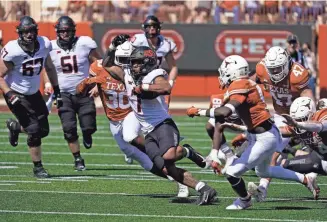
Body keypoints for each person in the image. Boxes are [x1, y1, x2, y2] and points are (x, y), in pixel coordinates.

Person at [186, 55, 319, 210]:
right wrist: (220, 149)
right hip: (262, 133)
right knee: (264, 170)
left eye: (224, 71)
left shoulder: (241, 86)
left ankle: (244, 200)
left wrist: (198, 111)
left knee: (231, 172)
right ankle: (305, 179)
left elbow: (223, 112)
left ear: (232, 72)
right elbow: (224, 120)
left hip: (265, 137)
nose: (221, 75)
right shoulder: (244, 84)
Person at [102, 44, 217, 205]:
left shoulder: (153, 75)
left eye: (138, 62)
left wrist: (143, 87)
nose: (134, 66)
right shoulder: (127, 74)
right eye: (133, 62)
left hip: (163, 124)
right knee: (165, 168)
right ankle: (204, 189)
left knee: (169, 156)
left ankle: (186, 151)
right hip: (148, 130)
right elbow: (106, 64)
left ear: (148, 62)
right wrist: (112, 47)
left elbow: (166, 87)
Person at [249, 46, 315, 200]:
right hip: (280, 116)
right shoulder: (262, 69)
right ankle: (263, 189)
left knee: (317, 150)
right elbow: (250, 83)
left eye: (279, 68)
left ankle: (309, 177)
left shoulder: (297, 74)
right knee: (272, 153)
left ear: (287, 64)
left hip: (299, 117)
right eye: (272, 69)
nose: (275, 72)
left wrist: (305, 120)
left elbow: (308, 98)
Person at [0, 16, 62, 178]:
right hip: (16, 93)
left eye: (32, 31)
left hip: (34, 93)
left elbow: (49, 66)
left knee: (43, 130)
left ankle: (15, 127)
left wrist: (57, 89)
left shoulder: (44, 44)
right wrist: (9, 93)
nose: (29, 34)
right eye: (25, 31)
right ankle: (38, 168)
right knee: (34, 130)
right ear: (19, 33)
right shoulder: (13, 50)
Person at [44, 15, 101, 171]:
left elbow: (98, 64)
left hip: (84, 92)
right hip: (63, 93)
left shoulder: (84, 43)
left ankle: (88, 134)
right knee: (69, 129)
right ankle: (77, 158)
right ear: (57, 31)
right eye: (62, 31)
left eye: (67, 31)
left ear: (73, 31)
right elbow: (46, 67)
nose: (65, 34)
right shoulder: (50, 47)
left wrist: (97, 83)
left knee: (88, 126)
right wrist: (48, 83)